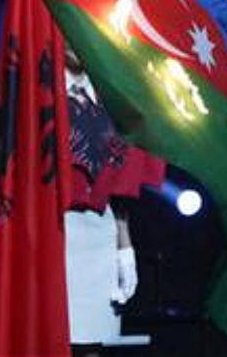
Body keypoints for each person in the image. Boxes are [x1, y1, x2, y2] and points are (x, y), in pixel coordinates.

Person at [64, 45, 165, 357]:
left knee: (91, 342)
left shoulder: (110, 91)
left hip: (98, 230)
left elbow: (120, 183)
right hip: (52, 228)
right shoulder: (39, 89)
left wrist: (124, 247)